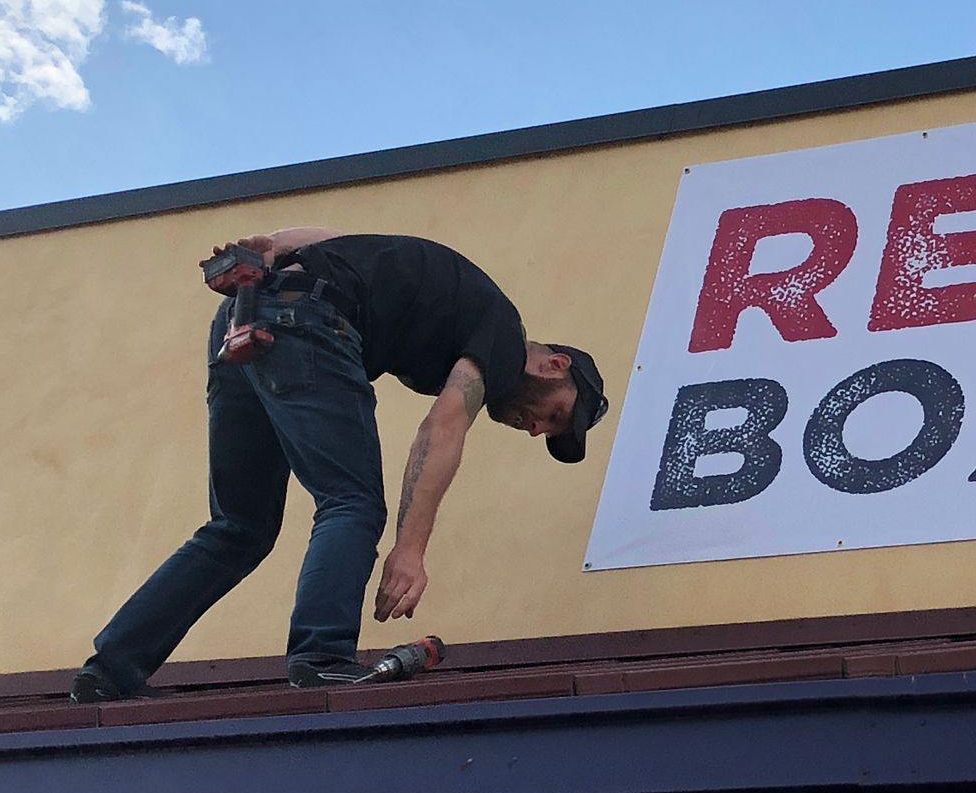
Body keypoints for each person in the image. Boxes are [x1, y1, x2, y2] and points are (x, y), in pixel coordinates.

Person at [70, 228, 607, 701]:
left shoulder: (452, 298)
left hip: (245, 316)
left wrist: (276, 243)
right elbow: (443, 428)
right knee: (350, 501)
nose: (536, 428)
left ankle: (111, 669)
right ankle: (322, 658)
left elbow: (342, 238)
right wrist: (409, 550)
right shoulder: (504, 338)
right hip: (306, 320)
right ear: (553, 364)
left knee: (240, 525)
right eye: (554, 414)